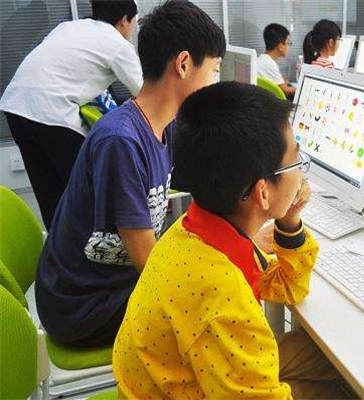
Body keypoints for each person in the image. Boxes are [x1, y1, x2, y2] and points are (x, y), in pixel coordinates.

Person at [113, 81, 364, 400]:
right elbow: (241, 304)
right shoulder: (221, 297)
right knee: (345, 389)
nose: (303, 172)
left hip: (185, 376)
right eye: (297, 162)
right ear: (262, 192)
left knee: (340, 360)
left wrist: (289, 216)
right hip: (184, 390)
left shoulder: (196, 231)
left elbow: (287, 288)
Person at [34, 0, 226, 348]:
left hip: (108, 284)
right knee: (216, 306)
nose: (216, 82)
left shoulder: (162, 125)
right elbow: (150, 264)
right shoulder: (121, 141)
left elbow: (200, 178)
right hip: (85, 308)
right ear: (183, 64)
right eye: (214, 70)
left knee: (215, 281)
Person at [0, 0, 143, 229]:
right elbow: (146, 93)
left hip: (16, 108)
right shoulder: (118, 44)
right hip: (51, 113)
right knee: (88, 190)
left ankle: (58, 247)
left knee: (50, 193)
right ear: (125, 20)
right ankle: (94, 246)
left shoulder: (69, 27)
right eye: (135, 21)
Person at [258, 23, 296, 98]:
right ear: (280, 47)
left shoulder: (264, 59)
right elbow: (286, 90)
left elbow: (280, 81)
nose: (289, 46)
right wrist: (302, 89)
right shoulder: (269, 63)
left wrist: (284, 82)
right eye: (288, 43)